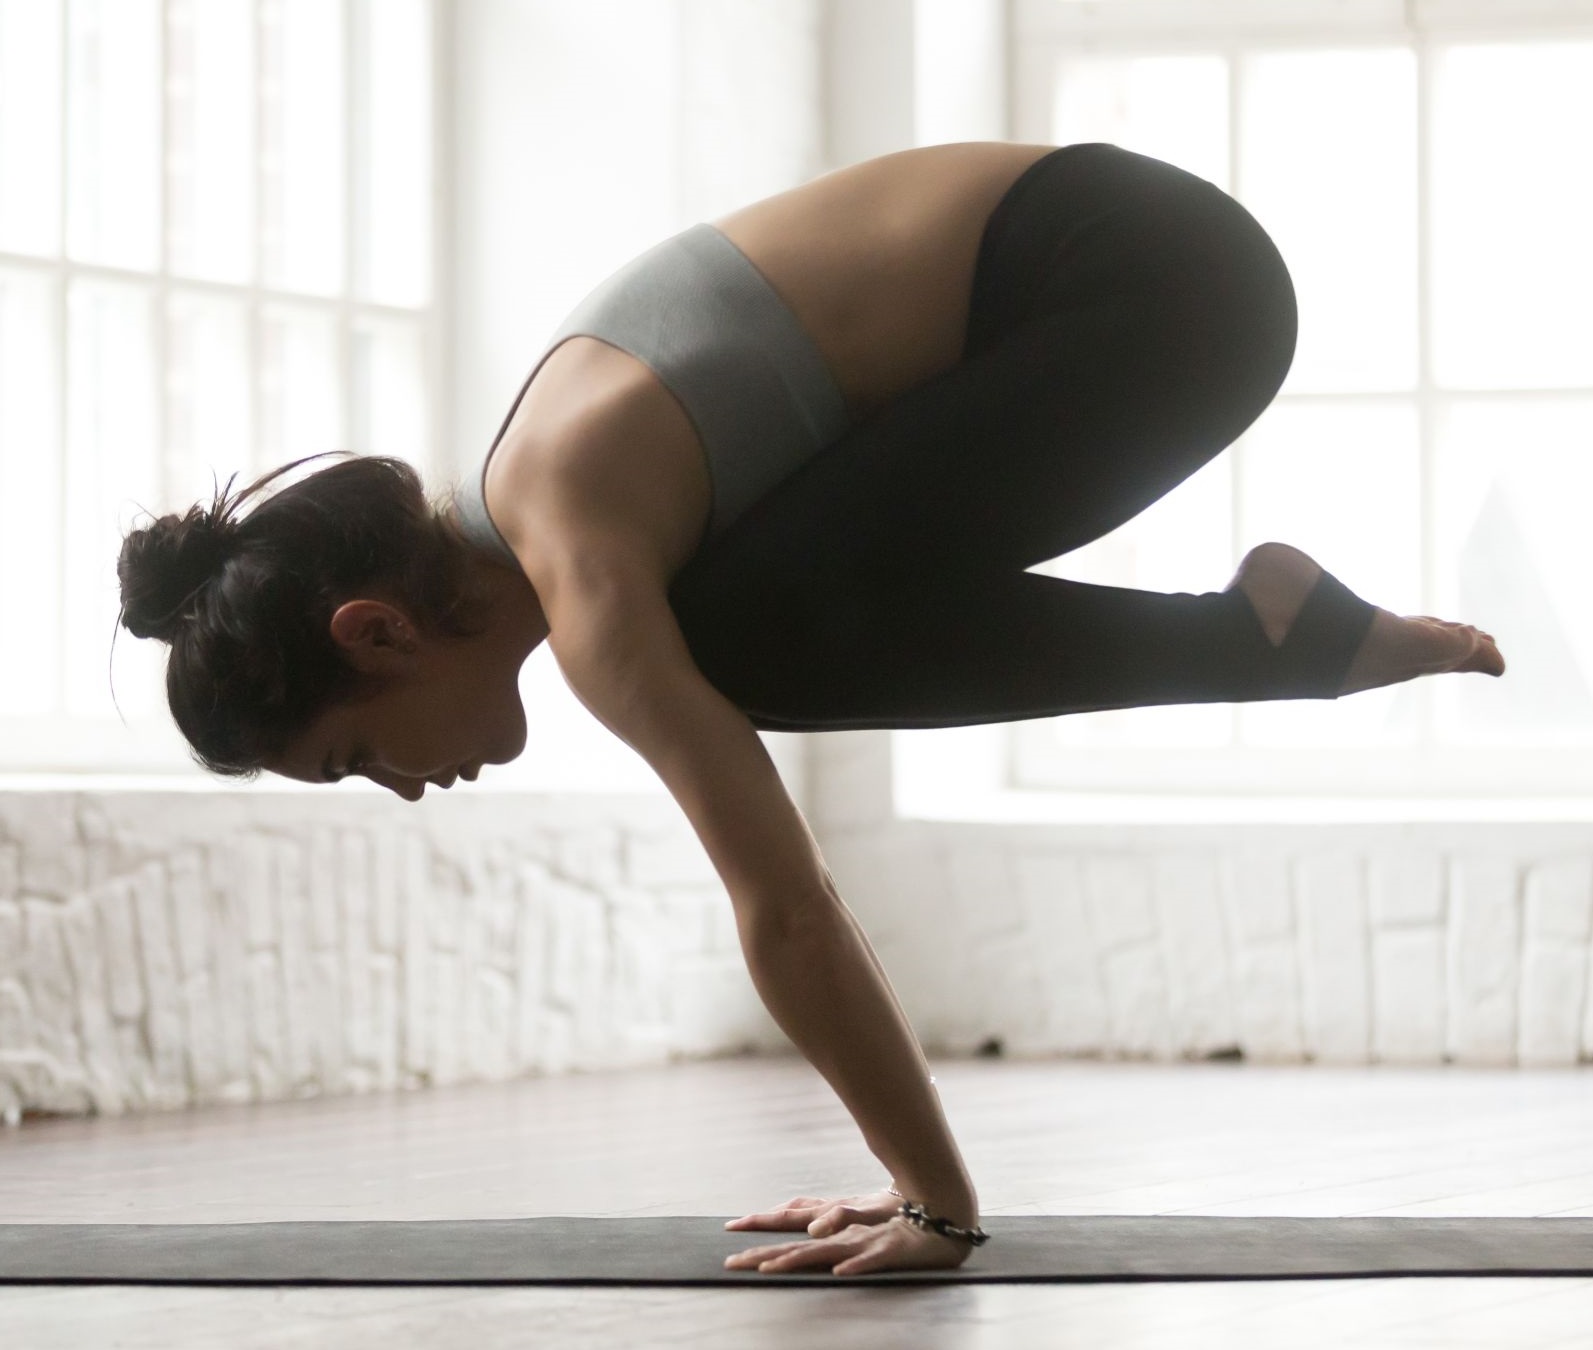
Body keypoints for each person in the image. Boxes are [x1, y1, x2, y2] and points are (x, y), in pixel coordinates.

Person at [117, 142, 1504, 1276]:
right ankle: (1278, 634)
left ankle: (1264, 641)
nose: (402, 787)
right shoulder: (557, 492)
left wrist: (935, 1204)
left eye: (358, 756)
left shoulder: (584, 561)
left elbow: (782, 903)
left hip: (1153, 286)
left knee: (748, 637)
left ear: (378, 629)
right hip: (1152, 274)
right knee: (746, 617)